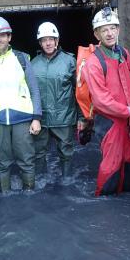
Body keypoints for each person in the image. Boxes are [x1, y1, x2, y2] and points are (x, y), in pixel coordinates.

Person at [82, 7, 130, 196]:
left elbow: (128, 80)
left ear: (118, 29)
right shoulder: (93, 63)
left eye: (112, 28)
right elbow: (101, 101)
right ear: (96, 34)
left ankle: (127, 200)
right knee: (111, 166)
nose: (109, 33)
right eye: (104, 29)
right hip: (109, 123)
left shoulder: (123, 53)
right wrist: (128, 110)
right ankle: (105, 205)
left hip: (127, 120)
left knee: (128, 162)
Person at [0, 16, 42, 192]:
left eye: (3, 35)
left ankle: (29, 194)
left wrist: (36, 118)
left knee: (26, 159)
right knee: (2, 162)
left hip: (22, 117)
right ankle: (4, 195)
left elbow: (34, 89)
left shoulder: (21, 58)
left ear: (9, 37)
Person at [31, 22, 83, 184]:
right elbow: (29, 94)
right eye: (44, 40)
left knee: (66, 152)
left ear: (57, 40)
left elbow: (80, 92)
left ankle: (66, 181)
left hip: (64, 118)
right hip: (42, 119)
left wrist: (82, 117)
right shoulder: (33, 64)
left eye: (51, 39)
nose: (48, 43)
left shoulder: (70, 61)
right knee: (38, 153)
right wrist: (32, 118)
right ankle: (41, 181)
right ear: (39, 42)